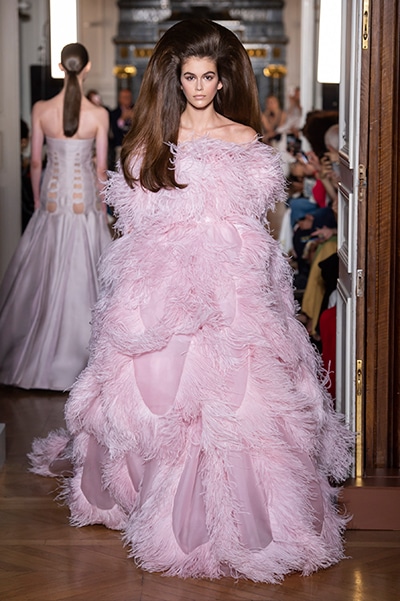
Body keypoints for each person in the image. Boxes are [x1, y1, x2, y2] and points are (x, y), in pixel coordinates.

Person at [29, 21, 353, 582]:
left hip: (230, 279)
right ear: (177, 80)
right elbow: (137, 216)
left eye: (208, 77)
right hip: (166, 276)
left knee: (241, 394)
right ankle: (149, 493)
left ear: (221, 81)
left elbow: (255, 217)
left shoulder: (243, 138)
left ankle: (248, 515)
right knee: (159, 385)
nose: (199, 86)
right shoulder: (158, 136)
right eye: (190, 77)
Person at [0, 43, 111, 390]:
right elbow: (102, 169)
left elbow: (36, 161)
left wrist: (37, 198)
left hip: (51, 198)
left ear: (61, 68)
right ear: (86, 68)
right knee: (87, 272)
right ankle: (87, 356)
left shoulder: (41, 109)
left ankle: (36, 355)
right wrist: (104, 206)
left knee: (42, 274)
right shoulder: (98, 114)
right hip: (84, 201)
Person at [109, 88, 134, 166]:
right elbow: (114, 131)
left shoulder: (137, 110)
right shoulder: (114, 113)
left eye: (128, 97)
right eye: (124, 97)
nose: (127, 99)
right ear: (119, 99)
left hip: (134, 146)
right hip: (120, 145)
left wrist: (134, 118)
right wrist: (122, 119)